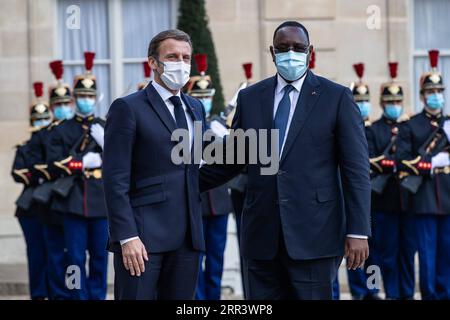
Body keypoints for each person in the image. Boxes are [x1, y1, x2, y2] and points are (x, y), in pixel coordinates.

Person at [200, 21, 371, 300]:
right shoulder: (250, 98)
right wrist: (181, 181)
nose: (290, 53)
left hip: (314, 236)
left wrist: (359, 230)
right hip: (261, 236)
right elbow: (231, 160)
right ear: (271, 52)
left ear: (310, 51)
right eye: (283, 48)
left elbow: (356, 170)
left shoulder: (336, 97)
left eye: (298, 48)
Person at [103, 29, 207, 300]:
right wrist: (126, 237)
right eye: (172, 56)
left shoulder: (196, 108)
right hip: (143, 240)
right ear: (153, 63)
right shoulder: (128, 108)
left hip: (188, 239)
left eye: (186, 57)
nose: (181, 64)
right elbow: (115, 180)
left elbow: (194, 170)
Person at [47, 52, 108, 300]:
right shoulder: (62, 130)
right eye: (82, 96)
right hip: (73, 201)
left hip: (101, 201)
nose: (86, 100)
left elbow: (124, 161)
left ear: (95, 98)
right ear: (74, 98)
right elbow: (54, 163)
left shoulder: (104, 126)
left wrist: (106, 144)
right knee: (74, 258)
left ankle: (97, 296)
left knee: (100, 257)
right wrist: (82, 162)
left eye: (90, 96)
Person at [396, 49, 450, 300]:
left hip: (448, 199)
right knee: (427, 256)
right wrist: (433, 162)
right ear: (422, 95)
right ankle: (430, 295)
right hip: (425, 200)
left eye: (439, 92)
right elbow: (403, 162)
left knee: (447, 253)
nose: (436, 96)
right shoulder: (411, 125)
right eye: (431, 92)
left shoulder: (448, 124)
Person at [368, 62, 416, 300]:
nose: (394, 107)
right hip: (382, 202)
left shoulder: (409, 128)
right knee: (382, 254)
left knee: (407, 252)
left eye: (397, 103)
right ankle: (383, 293)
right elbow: (370, 163)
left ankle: (406, 294)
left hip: (406, 202)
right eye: (390, 103)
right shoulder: (373, 130)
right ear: (382, 104)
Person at [187, 54, 233, 300]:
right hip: (198, 202)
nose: (204, 101)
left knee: (217, 259)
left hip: (219, 203)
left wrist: (228, 138)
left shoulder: (219, 124)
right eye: (199, 97)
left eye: (207, 97)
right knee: (197, 259)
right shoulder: (185, 126)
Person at [28, 60, 74, 299]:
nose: (63, 107)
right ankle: (59, 295)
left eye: (67, 103)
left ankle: (74, 293)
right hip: (52, 202)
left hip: (76, 201)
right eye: (58, 104)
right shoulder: (44, 135)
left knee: (75, 255)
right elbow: (39, 167)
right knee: (55, 253)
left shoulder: (80, 130)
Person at [341, 63, 381, 300]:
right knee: (354, 252)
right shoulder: (346, 126)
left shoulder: (375, 130)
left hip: (377, 199)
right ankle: (358, 291)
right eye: (359, 100)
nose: (362, 104)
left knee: (374, 253)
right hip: (353, 200)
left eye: (365, 100)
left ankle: (372, 289)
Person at [11, 82, 51, 300]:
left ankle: (56, 291)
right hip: (30, 208)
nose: (41, 123)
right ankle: (38, 294)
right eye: (37, 120)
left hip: (52, 205)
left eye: (44, 119)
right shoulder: (25, 147)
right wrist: (40, 173)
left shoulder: (55, 143)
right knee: (36, 254)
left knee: (55, 253)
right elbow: (18, 173)